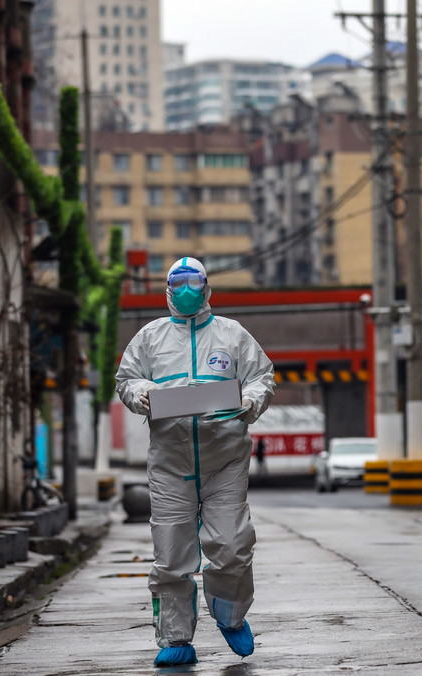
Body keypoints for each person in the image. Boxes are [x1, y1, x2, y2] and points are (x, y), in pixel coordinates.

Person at [116, 257, 275, 666]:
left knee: (232, 545)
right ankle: (175, 637)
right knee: (171, 553)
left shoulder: (231, 335)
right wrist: (143, 393)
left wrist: (251, 400)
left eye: (194, 281)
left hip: (225, 459)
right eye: (178, 282)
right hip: (170, 462)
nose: (187, 289)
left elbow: (261, 376)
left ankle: (230, 614)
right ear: (167, 289)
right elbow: (126, 380)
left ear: (207, 287)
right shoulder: (150, 338)